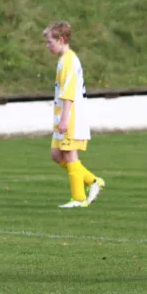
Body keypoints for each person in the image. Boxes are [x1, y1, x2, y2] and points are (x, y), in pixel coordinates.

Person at [43, 21, 105, 208]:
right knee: (57, 155)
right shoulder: (64, 60)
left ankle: (78, 198)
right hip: (63, 117)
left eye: (50, 42)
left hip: (71, 117)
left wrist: (64, 119)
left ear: (61, 40)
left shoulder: (69, 60)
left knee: (70, 156)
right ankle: (93, 181)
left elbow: (69, 93)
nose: (48, 46)